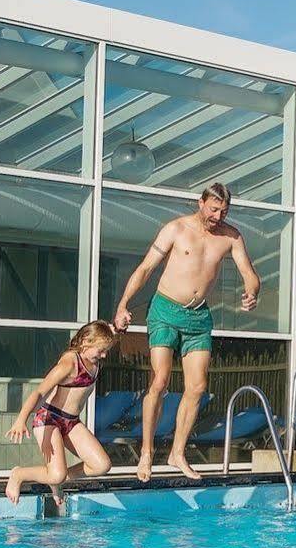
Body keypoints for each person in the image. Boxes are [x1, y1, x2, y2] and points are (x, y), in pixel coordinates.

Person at [111, 183, 262, 481]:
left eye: (224, 211)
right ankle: (146, 452)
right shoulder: (176, 229)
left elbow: (249, 273)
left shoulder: (231, 237)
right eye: (213, 209)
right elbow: (145, 269)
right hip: (165, 310)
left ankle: (177, 453)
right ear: (200, 202)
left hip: (198, 317)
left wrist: (251, 292)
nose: (218, 216)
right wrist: (123, 304)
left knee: (197, 387)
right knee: (161, 381)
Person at [6, 320, 119, 505]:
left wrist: (113, 327)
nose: (104, 355)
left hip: (71, 421)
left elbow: (107, 332)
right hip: (49, 418)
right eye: (101, 350)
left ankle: (57, 480)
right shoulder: (69, 363)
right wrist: (21, 419)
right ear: (85, 342)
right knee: (57, 473)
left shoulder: (94, 359)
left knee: (102, 465)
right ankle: (19, 474)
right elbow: (40, 392)